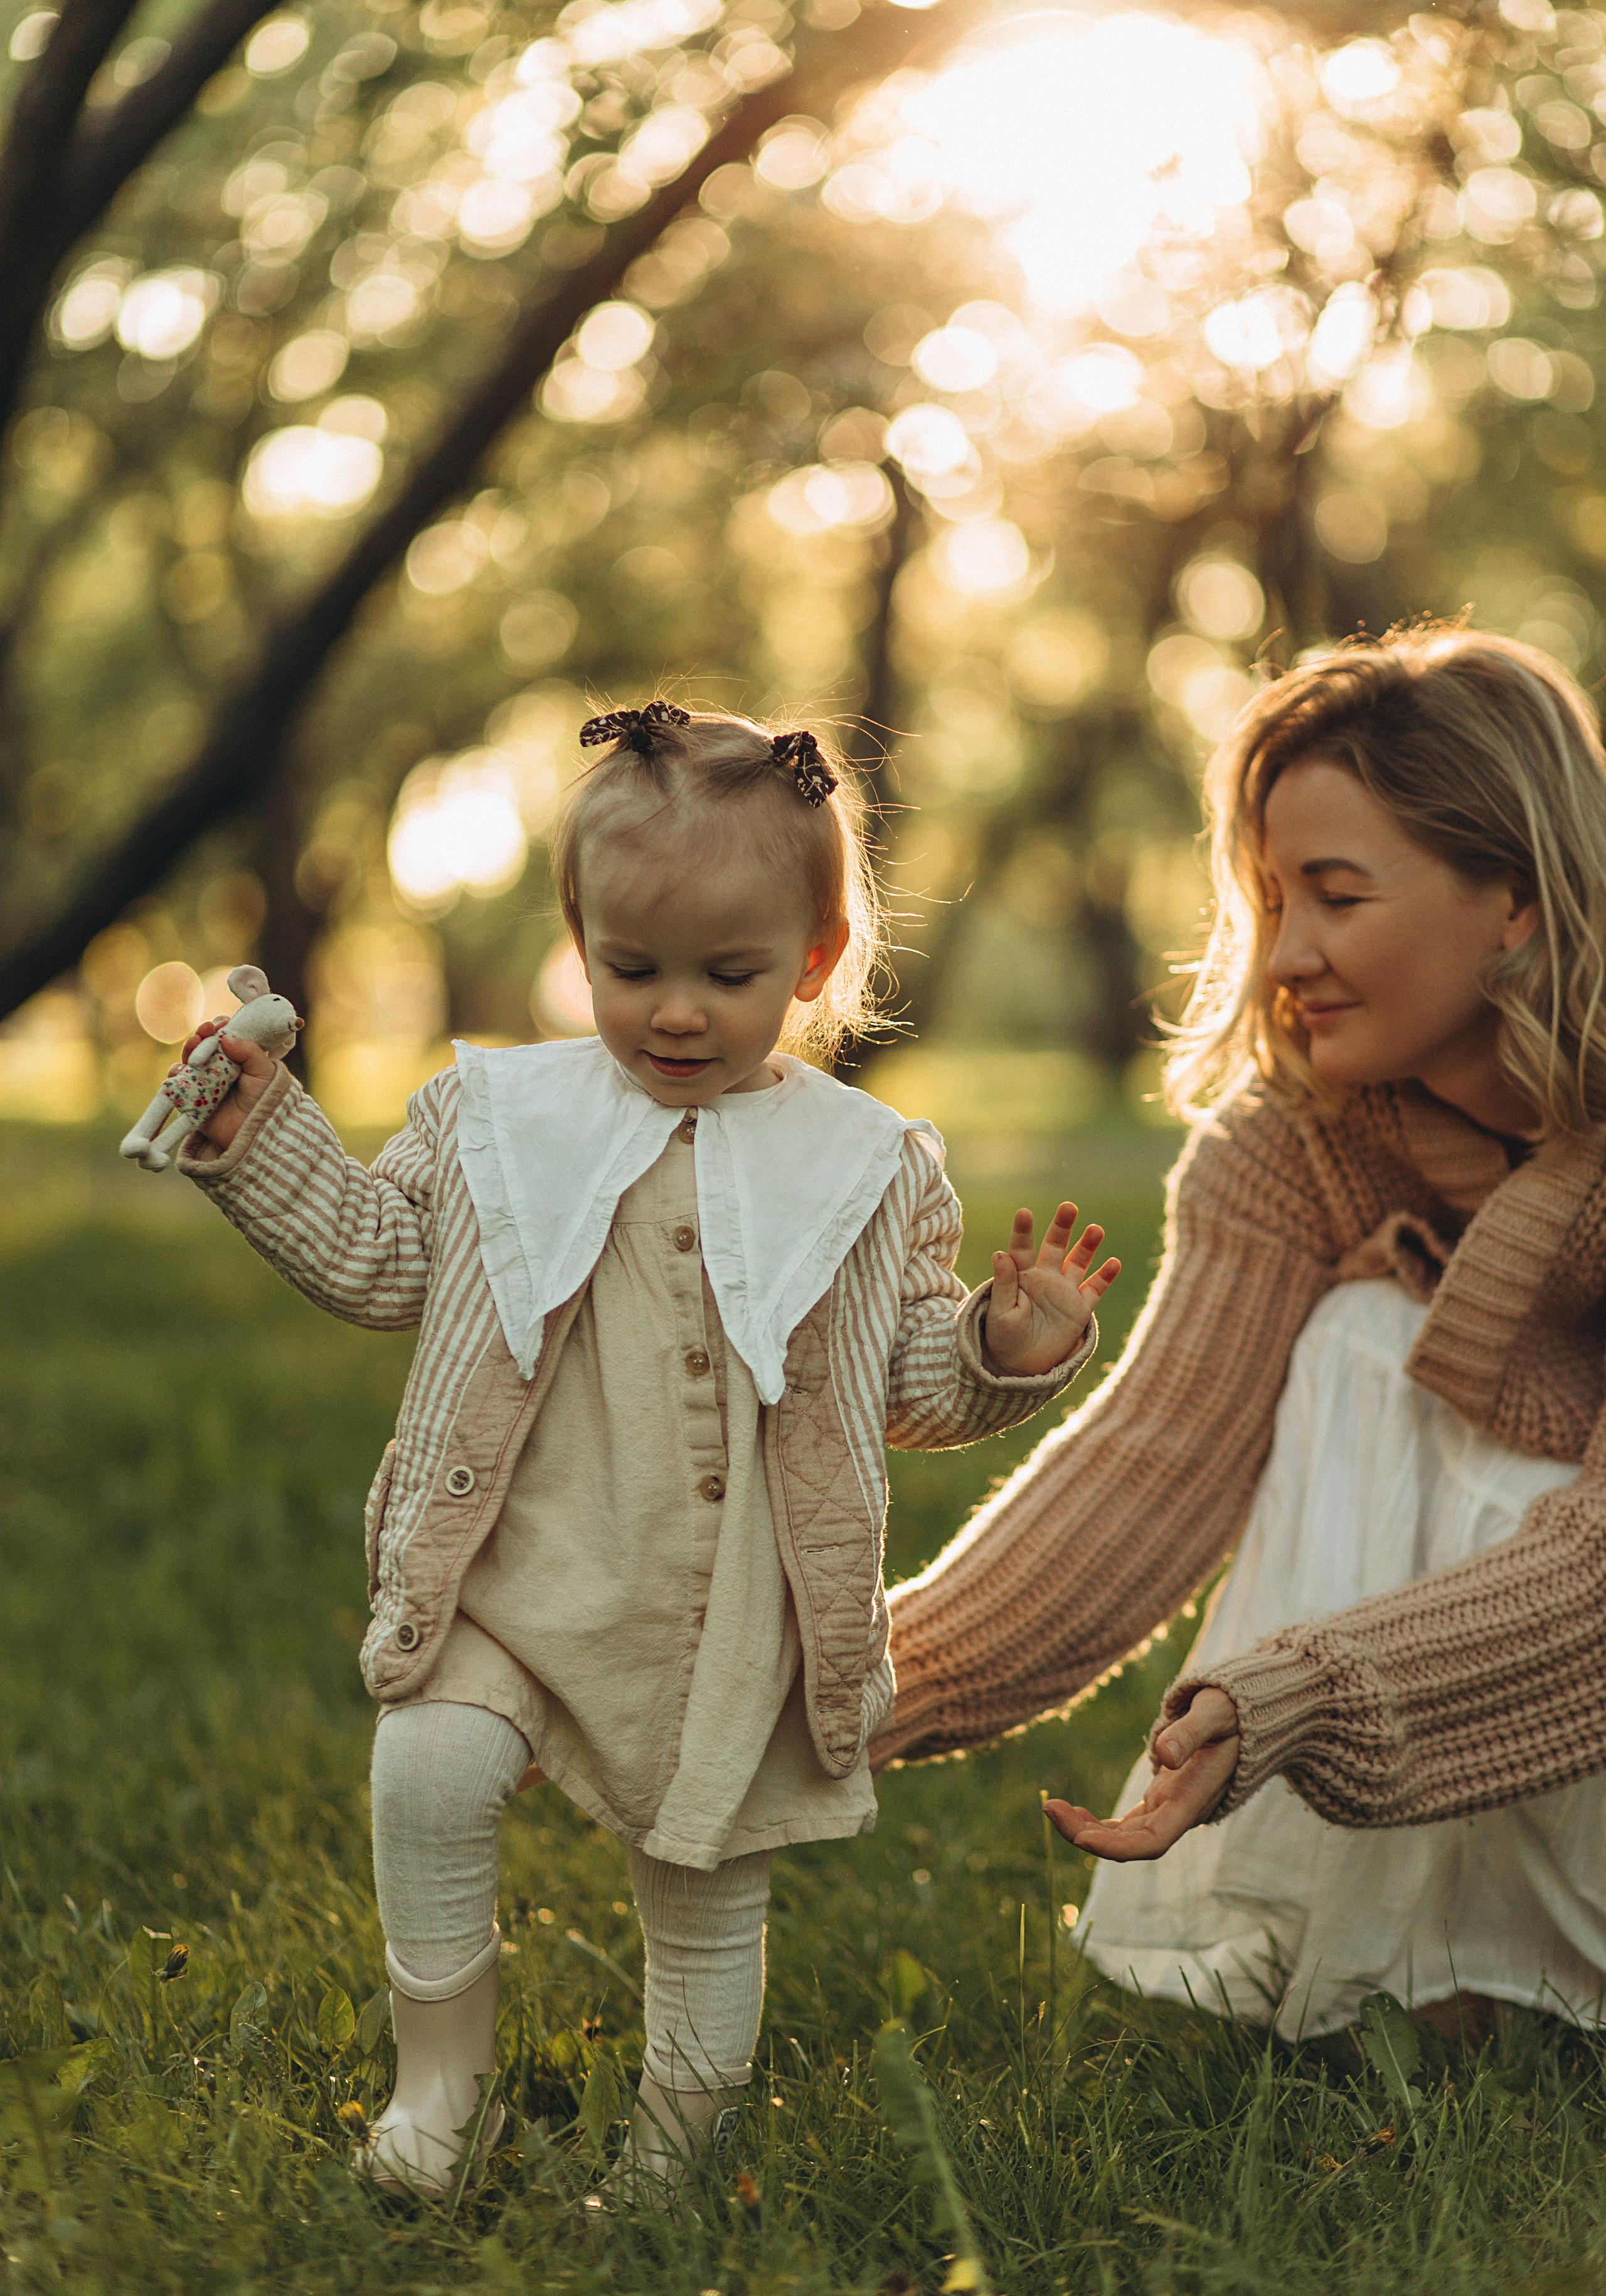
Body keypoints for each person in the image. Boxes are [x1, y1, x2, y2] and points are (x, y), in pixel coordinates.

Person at [171, 699, 1122, 2195]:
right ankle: (441, 2096)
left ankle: (676, 2164)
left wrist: (1009, 1346)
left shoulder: (866, 1169)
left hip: (721, 1605)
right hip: (520, 1561)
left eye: (728, 975)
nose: (675, 1012)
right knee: (424, 1766)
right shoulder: (496, 1116)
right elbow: (376, 1263)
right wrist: (260, 1129)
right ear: (579, 936)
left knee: (700, 1885)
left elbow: (904, 1386)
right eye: (632, 969)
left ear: (812, 963)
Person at [871, 627, 1606, 2038]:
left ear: (1508, 901)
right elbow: (1153, 1459)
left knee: (1361, 1341)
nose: (1284, 955)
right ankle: (1433, 1970)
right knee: (1356, 1336)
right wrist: (847, 1687)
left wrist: (1299, 1698)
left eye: (1332, 896)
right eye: (1268, 900)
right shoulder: (1294, 1147)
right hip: (1478, 1689)